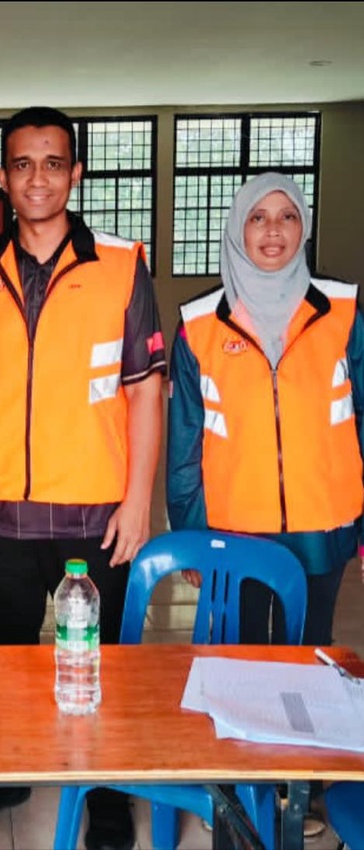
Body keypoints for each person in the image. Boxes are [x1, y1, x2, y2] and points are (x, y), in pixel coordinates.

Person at [0, 107, 166, 850]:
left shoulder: (121, 264)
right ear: (3, 177)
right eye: (23, 164)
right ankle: (13, 770)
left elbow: (145, 389)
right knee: (5, 659)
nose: (38, 178)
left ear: (74, 174)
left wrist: (138, 501)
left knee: (102, 661)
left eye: (53, 163)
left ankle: (107, 794)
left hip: (95, 506)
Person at [167, 172, 364, 648]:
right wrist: (192, 533)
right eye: (258, 217)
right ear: (239, 227)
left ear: (304, 228)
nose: (273, 229)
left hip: (323, 526)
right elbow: (184, 443)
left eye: (287, 216)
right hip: (235, 530)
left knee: (309, 652)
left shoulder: (343, 313)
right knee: (242, 656)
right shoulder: (199, 326)